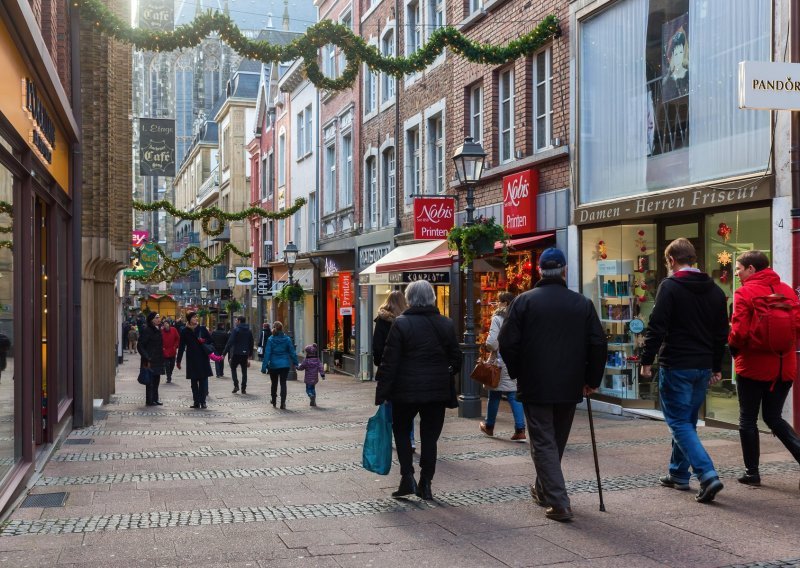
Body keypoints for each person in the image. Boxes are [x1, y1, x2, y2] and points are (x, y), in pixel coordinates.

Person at [499, 248, 607, 522]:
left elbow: (507, 342)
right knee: (555, 440)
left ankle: (559, 502)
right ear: (565, 270)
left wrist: (518, 371)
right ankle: (543, 489)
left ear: (538, 270)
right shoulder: (581, 303)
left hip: (536, 383)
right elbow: (598, 343)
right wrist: (591, 380)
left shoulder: (523, 302)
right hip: (569, 384)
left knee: (545, 443)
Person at [640, 238, 729, 504]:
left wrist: (646, 359)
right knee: (687, 422)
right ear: (693, 258)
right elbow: (721, 333)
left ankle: (707, 474)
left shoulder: (670, 286)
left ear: (671, 261)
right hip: (702, 365)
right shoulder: (714, 290)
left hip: (677, 364)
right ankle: (678, 474)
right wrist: (716, 366)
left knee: (678, 422)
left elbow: (656, 325)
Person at [375, 280, 462, 501]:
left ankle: (407, 477)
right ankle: (426, 483)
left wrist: (383, 392)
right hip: (436, 392)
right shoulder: (446, 323)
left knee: (402, 431)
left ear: (410, 299)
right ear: (432, 298)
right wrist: (444, 371)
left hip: (405, 390)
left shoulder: (401, 324)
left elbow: (389, 361)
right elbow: (457, 359)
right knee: (430, 438)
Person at [728, 250, 800, 487]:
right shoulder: (788, 291)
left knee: (747, 419)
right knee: (773, 417)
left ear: (751, 269)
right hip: (784, 366)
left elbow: (738, 331)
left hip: (752, 367)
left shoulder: (744, 292)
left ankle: (752, 472)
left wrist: (734, 350)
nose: (737, 273)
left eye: (739, 268)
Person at [372, 290, 417, 450]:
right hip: (406, 370)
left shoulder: (382, 321)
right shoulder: (408, 320)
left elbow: (377, 347)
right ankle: (410, 439)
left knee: (389, 404)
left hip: (388, 368)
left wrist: (380, 363)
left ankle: (389, 437)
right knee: (407, 406)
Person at [480, 291, 526, 442]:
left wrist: (490, 348)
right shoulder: (522, 316)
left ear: (505, 303)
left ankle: (489, 426)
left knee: (494, 394)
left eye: (499, 301)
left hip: (500, 361)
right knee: (513, 394)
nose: (497, 304)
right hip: (517, 360)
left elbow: (492, 342)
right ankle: (520, 429)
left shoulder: (498, 317)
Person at [176, 312, 213, 409]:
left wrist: (204, 341)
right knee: (193, 382)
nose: (196, 318)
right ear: (189, 319)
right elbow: (181, 346)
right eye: (193, 317)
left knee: (203, 381)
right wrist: (178, 360)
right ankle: (196, 402)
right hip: (191, 358)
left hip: (203, 358)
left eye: (196, 317)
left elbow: (210, 341)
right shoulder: (184, 331)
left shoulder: (202, 329)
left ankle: (203, 401)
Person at [261, 321, 298, 408]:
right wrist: (296, 363)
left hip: (273, 365)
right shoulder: (287, 339)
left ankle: (274, 401)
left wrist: (264, 367)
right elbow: (292, 352)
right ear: (282, 328)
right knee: (283, 383)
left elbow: (267, 354)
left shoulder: (270, 339)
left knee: (274, 383)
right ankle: (283, 403)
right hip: (284, 365)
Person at [137, 312, 165, 406]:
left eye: (159, 317)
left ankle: (155, 399)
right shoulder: (147, 330)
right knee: (150, 381)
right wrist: (147, 357)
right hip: (149, 360)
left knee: (156, 381)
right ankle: (150, 400)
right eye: (156, 317)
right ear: (151, 320)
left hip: (158, 359)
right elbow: (140, 345)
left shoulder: (158, 329)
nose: (159, 319)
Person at [223, 316, 254, 394]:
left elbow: (230, 342)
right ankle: (243, 388)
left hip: (236, 353)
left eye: (236, 320)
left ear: (239, 321)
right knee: (244, 371)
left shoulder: (236, 330)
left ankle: (236, 385)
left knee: (233, 368)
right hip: (245, 354)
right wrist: (250, 354)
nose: (236, 321)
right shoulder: (249, 331)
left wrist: (224, 353)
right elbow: (251, 343)